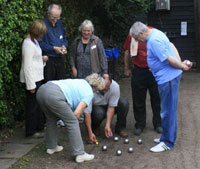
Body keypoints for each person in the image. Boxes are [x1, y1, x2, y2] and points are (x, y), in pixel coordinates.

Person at [130, 21, 192, 152]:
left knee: (168, 111)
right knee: (166, 109)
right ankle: (165, 137)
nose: (138, 41)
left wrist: (181, 65)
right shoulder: (156, 32)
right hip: (167, 77)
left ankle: (168, 142)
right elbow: (171, 45)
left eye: (137, 38)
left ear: (141, 33)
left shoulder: (153, 41)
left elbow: (169, 59)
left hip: (168, 78)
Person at [36, 73, 105, 163]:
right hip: (54, 95)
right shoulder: (89, 93)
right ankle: (79, 154)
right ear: (96, 88)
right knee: (73, 121)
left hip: (42, 90)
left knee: (51, 119)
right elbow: (76, 114)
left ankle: (51, 147)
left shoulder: (81, 81)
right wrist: (69, 121)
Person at [124, 17, 162, 136]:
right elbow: (126, 51)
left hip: (154, 71)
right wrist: (127, 68)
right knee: (138, 99)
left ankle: (158, 124)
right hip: (139, 70)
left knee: (156, 98)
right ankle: (140, 124)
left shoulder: (154, 33)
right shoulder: (132, 34)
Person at [20, 20, 47, 137]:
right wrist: (31, 86)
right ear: (37, 32)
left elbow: (35, 60)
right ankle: (30, 131)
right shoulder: (28, 44)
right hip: (32, 80)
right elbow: (27, 66)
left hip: (38, 77)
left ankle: (38, 127)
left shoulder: (34, 41)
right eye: (42, 33)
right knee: (32, 107)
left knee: (37, 104)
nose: (42, 36)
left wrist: (42, 59)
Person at [84, 75, 129, 143]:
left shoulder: (115, 86)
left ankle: (120, 128)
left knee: (124, 104)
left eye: (107, 88)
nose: (105, 90)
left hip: (108, 104)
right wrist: (89, 132)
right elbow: (87, 113)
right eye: (104, 88)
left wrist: (108, 125)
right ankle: (95, 127)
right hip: (96, 107)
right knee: (99, 113)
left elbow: (111, 107)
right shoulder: (91, 89)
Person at [39, 4, 68, 82]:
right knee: (48, 84)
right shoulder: (42, 25)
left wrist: (64, 46)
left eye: (58, 17)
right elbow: (39, 44)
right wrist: (53, 48)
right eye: (53, 17)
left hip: (60, 59)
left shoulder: (60, 23)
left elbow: (65, 38)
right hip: (48, 60)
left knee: (61, 84)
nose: (55, 20)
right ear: (48, 13)